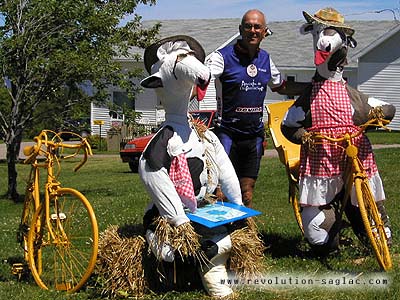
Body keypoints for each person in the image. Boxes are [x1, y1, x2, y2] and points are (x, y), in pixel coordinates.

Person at [281, 7, 395, 255]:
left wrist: (379, 115)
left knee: (364, 203)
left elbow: (385, 108)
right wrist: (304, 136)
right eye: (320, 33)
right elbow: (289, 125)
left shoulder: (353, 96)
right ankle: (328, 230)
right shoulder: (309, 97)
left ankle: (370, 227)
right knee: (321, 235)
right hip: (321, 165)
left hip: (354, 161)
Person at [206, 9, 308, 207]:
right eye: (248, 26)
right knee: (221, 191)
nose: (252, 30)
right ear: (240, 30)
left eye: (257, 27)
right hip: (227, 135)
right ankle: (220, 234)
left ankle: (242, 232)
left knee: (247, 193)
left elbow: (282, 87)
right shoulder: (222, 57)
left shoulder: (265, 60)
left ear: (264, 32)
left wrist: (313, 86)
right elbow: (202, 78)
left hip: (253, 136)